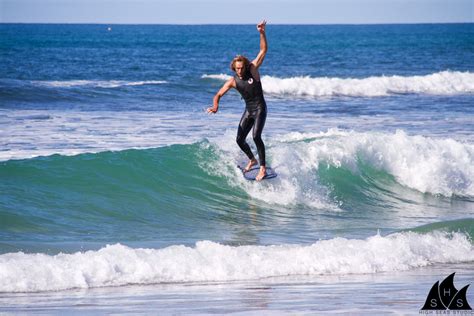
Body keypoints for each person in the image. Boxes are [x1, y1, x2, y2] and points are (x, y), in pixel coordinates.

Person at [207, 20, 269, 181]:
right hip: (249, 110)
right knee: (239, 139)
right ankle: (252, 159)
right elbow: (218, 94)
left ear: (246, 66)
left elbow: (263, 50)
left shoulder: (253, 70)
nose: (240, 70)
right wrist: (215, 106)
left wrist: (261, 32)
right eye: (237, 68)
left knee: (256, 137)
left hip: (260, 108)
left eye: (242, 67)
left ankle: (262, 168)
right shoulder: (233, 81)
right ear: (234, 68)